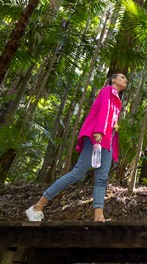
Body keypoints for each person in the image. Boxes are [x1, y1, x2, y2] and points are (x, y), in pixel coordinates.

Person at [25, 73, 128, 222]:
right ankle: (38, 206)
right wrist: (99, 131)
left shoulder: (117, 100)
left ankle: (99, 216)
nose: (125, 80)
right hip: (97, 136)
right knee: (77, 173)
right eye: (122, 77)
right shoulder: (107, 91)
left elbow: (110, 118)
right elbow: (103, 111)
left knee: (102, 179)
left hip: (108, 141)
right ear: (113, 80)